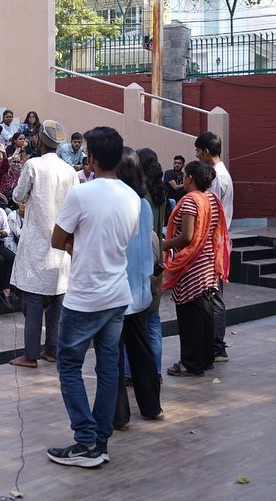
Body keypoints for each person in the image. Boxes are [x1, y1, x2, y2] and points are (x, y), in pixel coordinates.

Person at [47, 126, 140, 469]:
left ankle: (86, 441)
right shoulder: (133, 198)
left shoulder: (81, 194)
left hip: (85, 297)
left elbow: (58, 240)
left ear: (94, 158)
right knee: (108, 369)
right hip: (117, 295)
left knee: (68, 365)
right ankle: (99, 442)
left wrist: (78, 248)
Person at [9, 120, 79, 369]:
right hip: (62, 243)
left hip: (37, 241)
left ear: (39, 139)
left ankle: (30, 354)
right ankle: (52, 350)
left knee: (34, 299)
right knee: (58, 298)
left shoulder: (33, 165)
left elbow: (17, 196)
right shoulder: (70, 171)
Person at [161, 160, 230, 378]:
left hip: (192, 266)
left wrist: (162, 244)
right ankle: (206, 358)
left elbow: (187, 237)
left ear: (189, 178)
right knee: (204, 313)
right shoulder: (211, 198)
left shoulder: (191, 201)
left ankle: (191, 363)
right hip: (208, 262)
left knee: (190, 316)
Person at [112, 148, 163, 430]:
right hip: (140, 289)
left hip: (118, 290)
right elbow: (146, 247)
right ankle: (151, 406)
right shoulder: (142, 204)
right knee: (140, 351)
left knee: (114, 354)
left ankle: (119, 415)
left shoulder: (118, 204)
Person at [194, 131, 232, 363]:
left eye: (198, 151)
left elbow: (211, 211)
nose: (197, 156)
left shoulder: (215, 177)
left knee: (213, 294)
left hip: (214, 242)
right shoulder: (222, 173)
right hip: (218, 240)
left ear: (207, 152)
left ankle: (217, 345)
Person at [135, 148, 168, 377]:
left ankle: (132, 371)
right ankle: (155, 370)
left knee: (137, 324)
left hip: (144, 260)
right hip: (158, 258)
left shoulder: (142, 196)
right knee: (154, 321)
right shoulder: (161, 193)